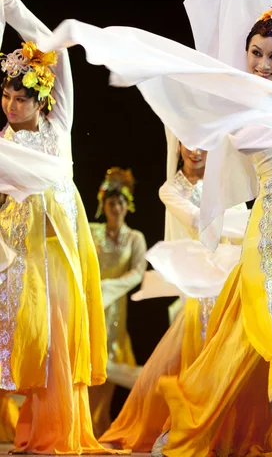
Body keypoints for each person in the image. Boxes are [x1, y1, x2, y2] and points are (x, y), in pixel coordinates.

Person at [41, 0, 272, 457]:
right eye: (255, 53)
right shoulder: (239, 97)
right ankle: (202, 418)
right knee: (257, 325)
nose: (263, 64)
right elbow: (187, 77)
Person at [0, 0, 126, 455]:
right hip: (23, 254)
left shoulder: (60, 125)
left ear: (41, 98)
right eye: (6, 96)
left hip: (63, 252)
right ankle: (33, 429)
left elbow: (55, 51)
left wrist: (13, 12)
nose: (11, 105)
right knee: (35, 343)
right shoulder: (3, 143)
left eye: (21, 98)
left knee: (59, 341)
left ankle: (58, 433)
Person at [99, 135, 249, 452]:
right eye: (187, 142)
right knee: (198, 356)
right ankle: (185, 428)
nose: (194, 151)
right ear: (177, 145)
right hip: (196, 287)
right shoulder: (171, 190)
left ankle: (225, 427)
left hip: (229, 282)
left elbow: (242, 229)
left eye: (203, 143)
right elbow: (204, 227)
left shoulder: (226, 183)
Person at [88, 167, 147, 438]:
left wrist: (108, 288)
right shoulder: (92, 232)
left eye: (120, 202)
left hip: (115, 310)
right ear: (103, 205)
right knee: (88, 369)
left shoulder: (135, 238)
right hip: (90, 306)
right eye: (110, 202)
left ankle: (101, 428)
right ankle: (86, 429)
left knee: (110, 365)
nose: (115, 207)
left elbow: (138, 273)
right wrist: (92, 289)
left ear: (128, 206)